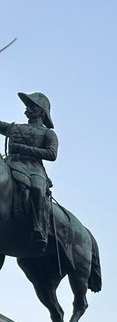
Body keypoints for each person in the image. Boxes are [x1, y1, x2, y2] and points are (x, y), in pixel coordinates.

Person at [0, 91, 57, 250]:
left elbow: (52, 154)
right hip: (12, 164)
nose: (28, 109)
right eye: (28, 106)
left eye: (32, 106)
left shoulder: (48, 133)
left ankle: (39, 228)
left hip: (33, 169)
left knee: (38, 189)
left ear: (41, 111)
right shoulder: (15, 128)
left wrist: (22, 149)